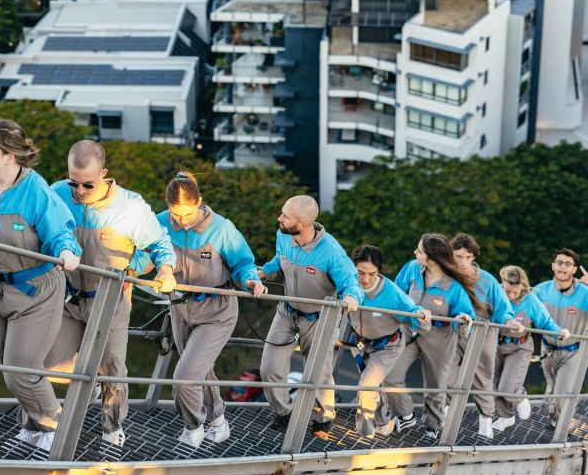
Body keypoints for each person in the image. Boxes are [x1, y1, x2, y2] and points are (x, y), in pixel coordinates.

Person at [44, 140, 177, 447]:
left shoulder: (131, 207)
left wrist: (166, 269)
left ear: (103, 174)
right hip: (67, 297)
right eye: (73, 182)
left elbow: (160, 245)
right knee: (42, 363)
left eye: (87, 184)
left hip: (111, 302)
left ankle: (111, 428)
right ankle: (83, 384)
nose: (79, 190)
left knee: (113, 370)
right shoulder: (57, 193)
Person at [0, 119, 81, 452]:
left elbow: (60, 232)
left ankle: (57, 428)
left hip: (36, 292)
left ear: (10, 155)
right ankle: (33, 427)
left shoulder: (35, 191)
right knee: (11, 367)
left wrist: (67, 251)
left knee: (21, 371)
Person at [154, 172, 266, 448]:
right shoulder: (158, 223)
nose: (182, 220)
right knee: (200, 370)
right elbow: (145, 253)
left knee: (185, 377)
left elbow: (244, 262)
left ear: (199, 202)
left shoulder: (221, 228)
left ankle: (193, 428)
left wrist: (251, 279)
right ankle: (218, 421)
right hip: (180, 307)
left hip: (217, 310)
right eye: (175, 214)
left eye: (188, 213)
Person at [254, 195, 364, 438]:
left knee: (318, 374)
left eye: (285, 216)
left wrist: (352, 299)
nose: (279, 219)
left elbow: (351, 284)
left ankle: (323, 419)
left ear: (303, 223)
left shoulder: (331, 252)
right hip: (287, 312)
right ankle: (284, 413)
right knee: (269, 368)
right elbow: (278, 263)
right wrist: (262, 273)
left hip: (319, 318)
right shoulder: (283, 235)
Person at [381, 234, 477, 441]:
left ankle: (432, 426)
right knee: (388, 372)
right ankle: (405, 415)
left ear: (432, 259)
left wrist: (462, 317)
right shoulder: (412, 268)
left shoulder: (453, 286)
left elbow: (467, 313)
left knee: (435, 384)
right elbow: (395, 292)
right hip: (410, 329)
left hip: (440, 335)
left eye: (419, 251)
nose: (415, 253)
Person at [347, 245, 431, 438]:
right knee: (373, 386)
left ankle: (363, 434)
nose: (365, 279)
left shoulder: (391, 292)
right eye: (360, 273)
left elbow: (412, 310)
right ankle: (383, 423)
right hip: (362, 343)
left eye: (372, 274)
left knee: (366, 386)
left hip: (387, 346)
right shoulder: (348, 283)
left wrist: (421, 314)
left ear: (380, 270)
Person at [449, 233, 522, 439]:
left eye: (467, 256)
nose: (463, 261)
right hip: (454, 330)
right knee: (446, 375)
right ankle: (443, 419)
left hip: (482, 330)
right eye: (458, 256)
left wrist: (509, 320)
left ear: (473, 257)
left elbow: (503, 307)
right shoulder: (447, 275)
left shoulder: (488, 280)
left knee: (483, 377)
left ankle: (486, 421)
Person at [493, 265, 568, 432]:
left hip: (519, 346)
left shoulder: (530, 301)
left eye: (515, 292)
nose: (511, 296)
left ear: (523, 288)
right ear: (502, 284)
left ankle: (520, 396)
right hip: (496, 344)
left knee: (507, 387)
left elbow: (546, 322)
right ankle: (506, 417)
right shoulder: (496, 292)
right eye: (507, 291)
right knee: (493, 385)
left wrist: (559, 332)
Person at [534, 248, 588, 424]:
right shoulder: (541, 290)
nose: (562, 267)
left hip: (573, 352)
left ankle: (560, 430)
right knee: (551, 391)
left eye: (568, 264)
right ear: (553, 266)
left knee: (561, 395)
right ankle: (555, 419)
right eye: (559, 263)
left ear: (574, 269)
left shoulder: (584, 293)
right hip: (547, 350)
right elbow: (523, 307)